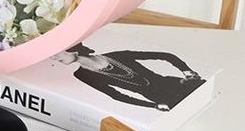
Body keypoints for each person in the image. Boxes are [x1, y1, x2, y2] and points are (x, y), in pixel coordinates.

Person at [53, 43, 204, 111]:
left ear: (72, 48)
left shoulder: (118, 55)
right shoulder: (81, 75)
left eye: (56, 53)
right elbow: (116, 95)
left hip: (175, 84)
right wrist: (153, 106)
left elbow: (165, 56)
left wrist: (187, 72)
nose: (54, 58)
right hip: (161, 99)